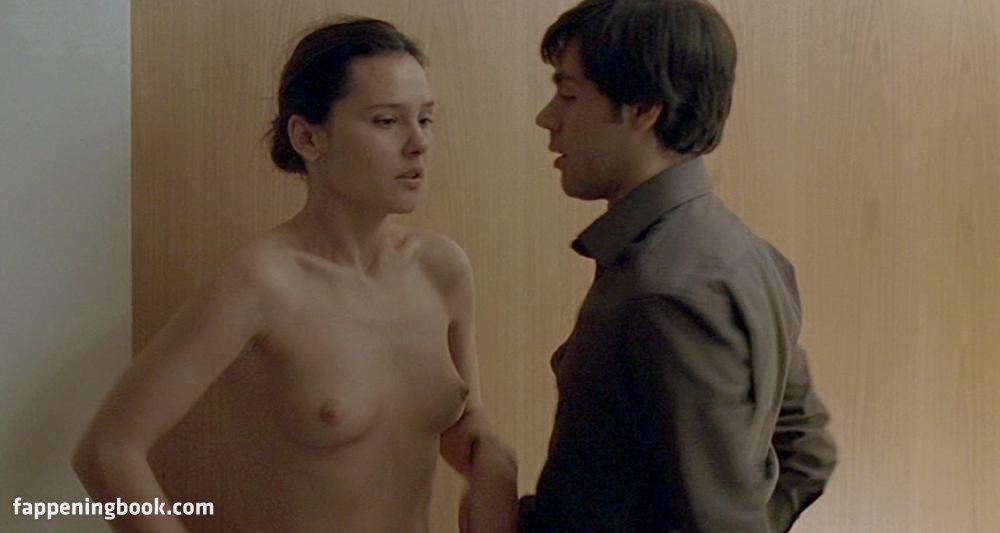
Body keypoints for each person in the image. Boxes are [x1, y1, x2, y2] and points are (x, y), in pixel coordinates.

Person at [72, 17, 517, 533]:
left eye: (426, 119)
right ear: (307, 137)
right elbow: (109, 450)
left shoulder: (443, 269)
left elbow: (464, 423)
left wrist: (492, 461)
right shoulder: (262, 282)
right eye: (386, 121)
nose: (418, 143)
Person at [519, 1, 837, 531]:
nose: (547, 118)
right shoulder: (746, 252)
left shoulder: (660, 292)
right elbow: (807, 453)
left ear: (644, 109)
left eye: (568, 95)